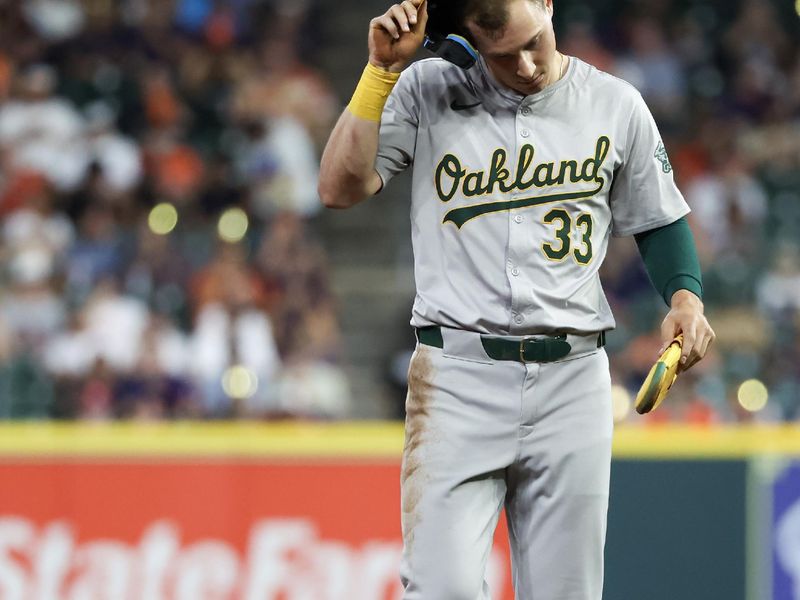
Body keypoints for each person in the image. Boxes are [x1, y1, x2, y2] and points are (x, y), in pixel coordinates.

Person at [318, 0, 716, 598]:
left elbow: (658, 219)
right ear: (467, 43)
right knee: (440, 589)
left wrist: (685, 298)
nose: (528, 64)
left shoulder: (613, 102)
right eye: (504, 55)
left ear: (548, 4)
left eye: (535, 40)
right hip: (457, 376)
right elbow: (338, 187)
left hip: (573, 378)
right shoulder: (429, 88)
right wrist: (380, 72)